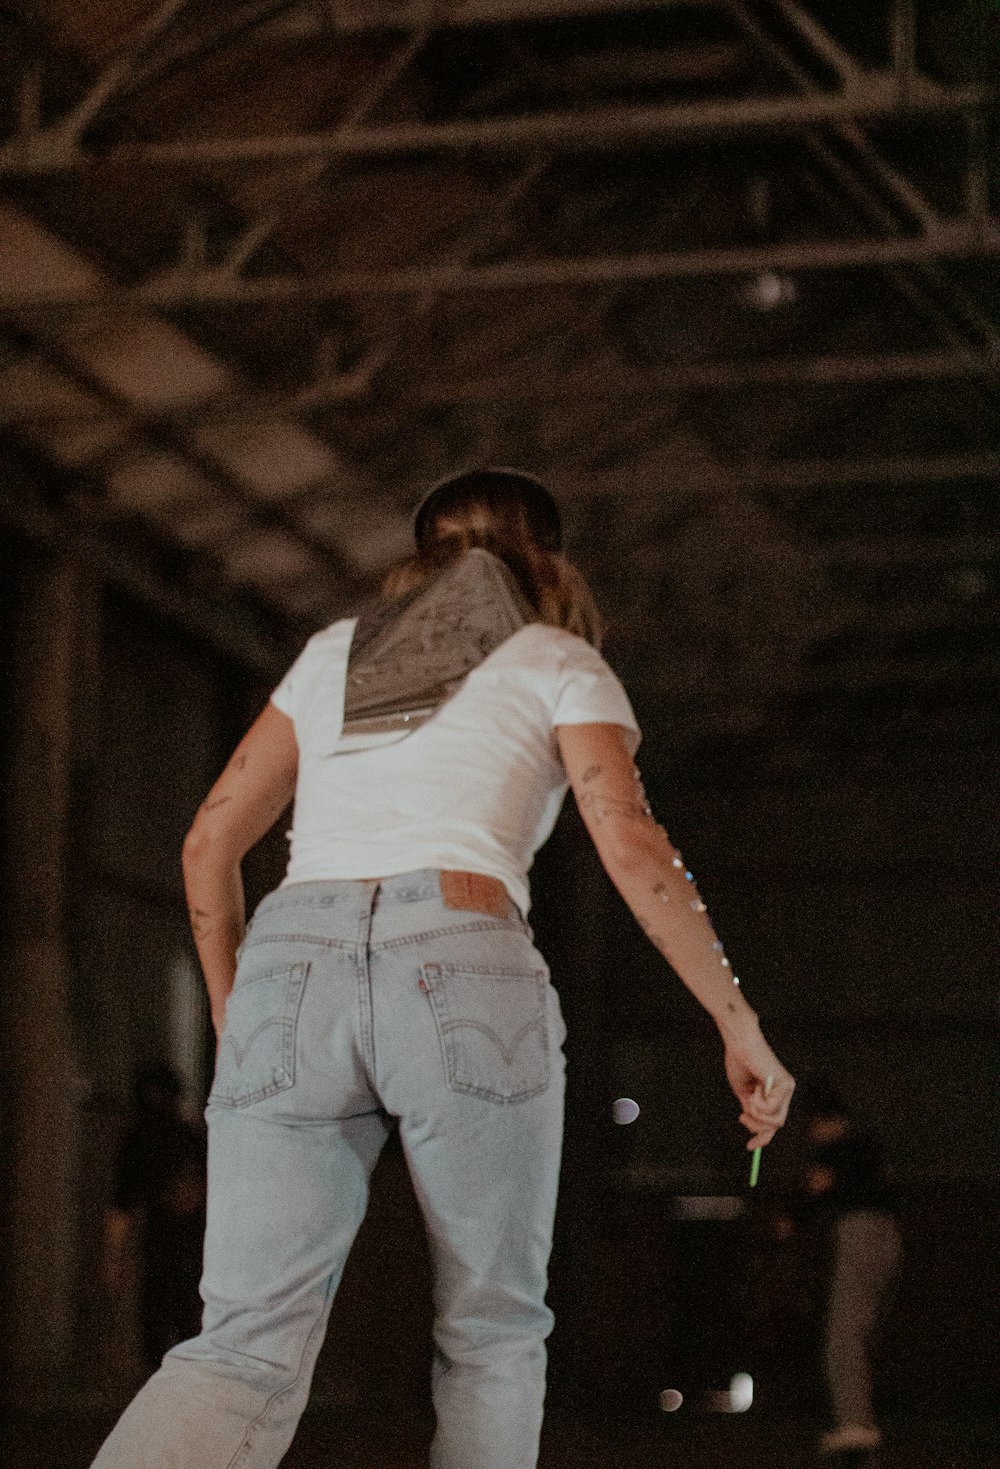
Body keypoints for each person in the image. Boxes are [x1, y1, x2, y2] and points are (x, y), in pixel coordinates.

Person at [91, 469, 794, 1469]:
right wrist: (737, 1021)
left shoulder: (334, 653)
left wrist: (238, 1015)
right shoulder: (557, 658)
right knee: (491, 1330)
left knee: (239, 1344)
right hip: (462, 952)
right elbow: (630, 843)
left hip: (291, 963)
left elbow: (208, 841)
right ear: (546, 559)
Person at [799, 1084, 902, 1466]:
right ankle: (859, 1427)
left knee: (842, 1337)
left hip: (861, 1234)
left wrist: (790, 1220)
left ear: (817, 1120)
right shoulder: (869, 1147)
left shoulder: (837, 1150)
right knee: (858, 1334)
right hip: (889, 1238)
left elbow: (815, 1193)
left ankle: (855, 1426)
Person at [104, 1060, 207, 1375]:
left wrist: (114, 1257)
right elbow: (123, 1204)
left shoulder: (154, 1140)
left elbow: (122, 1206)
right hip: (172, 1247)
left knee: (168, 1323)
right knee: (171, 1321)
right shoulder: (184, 1138)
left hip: (176, 1247)